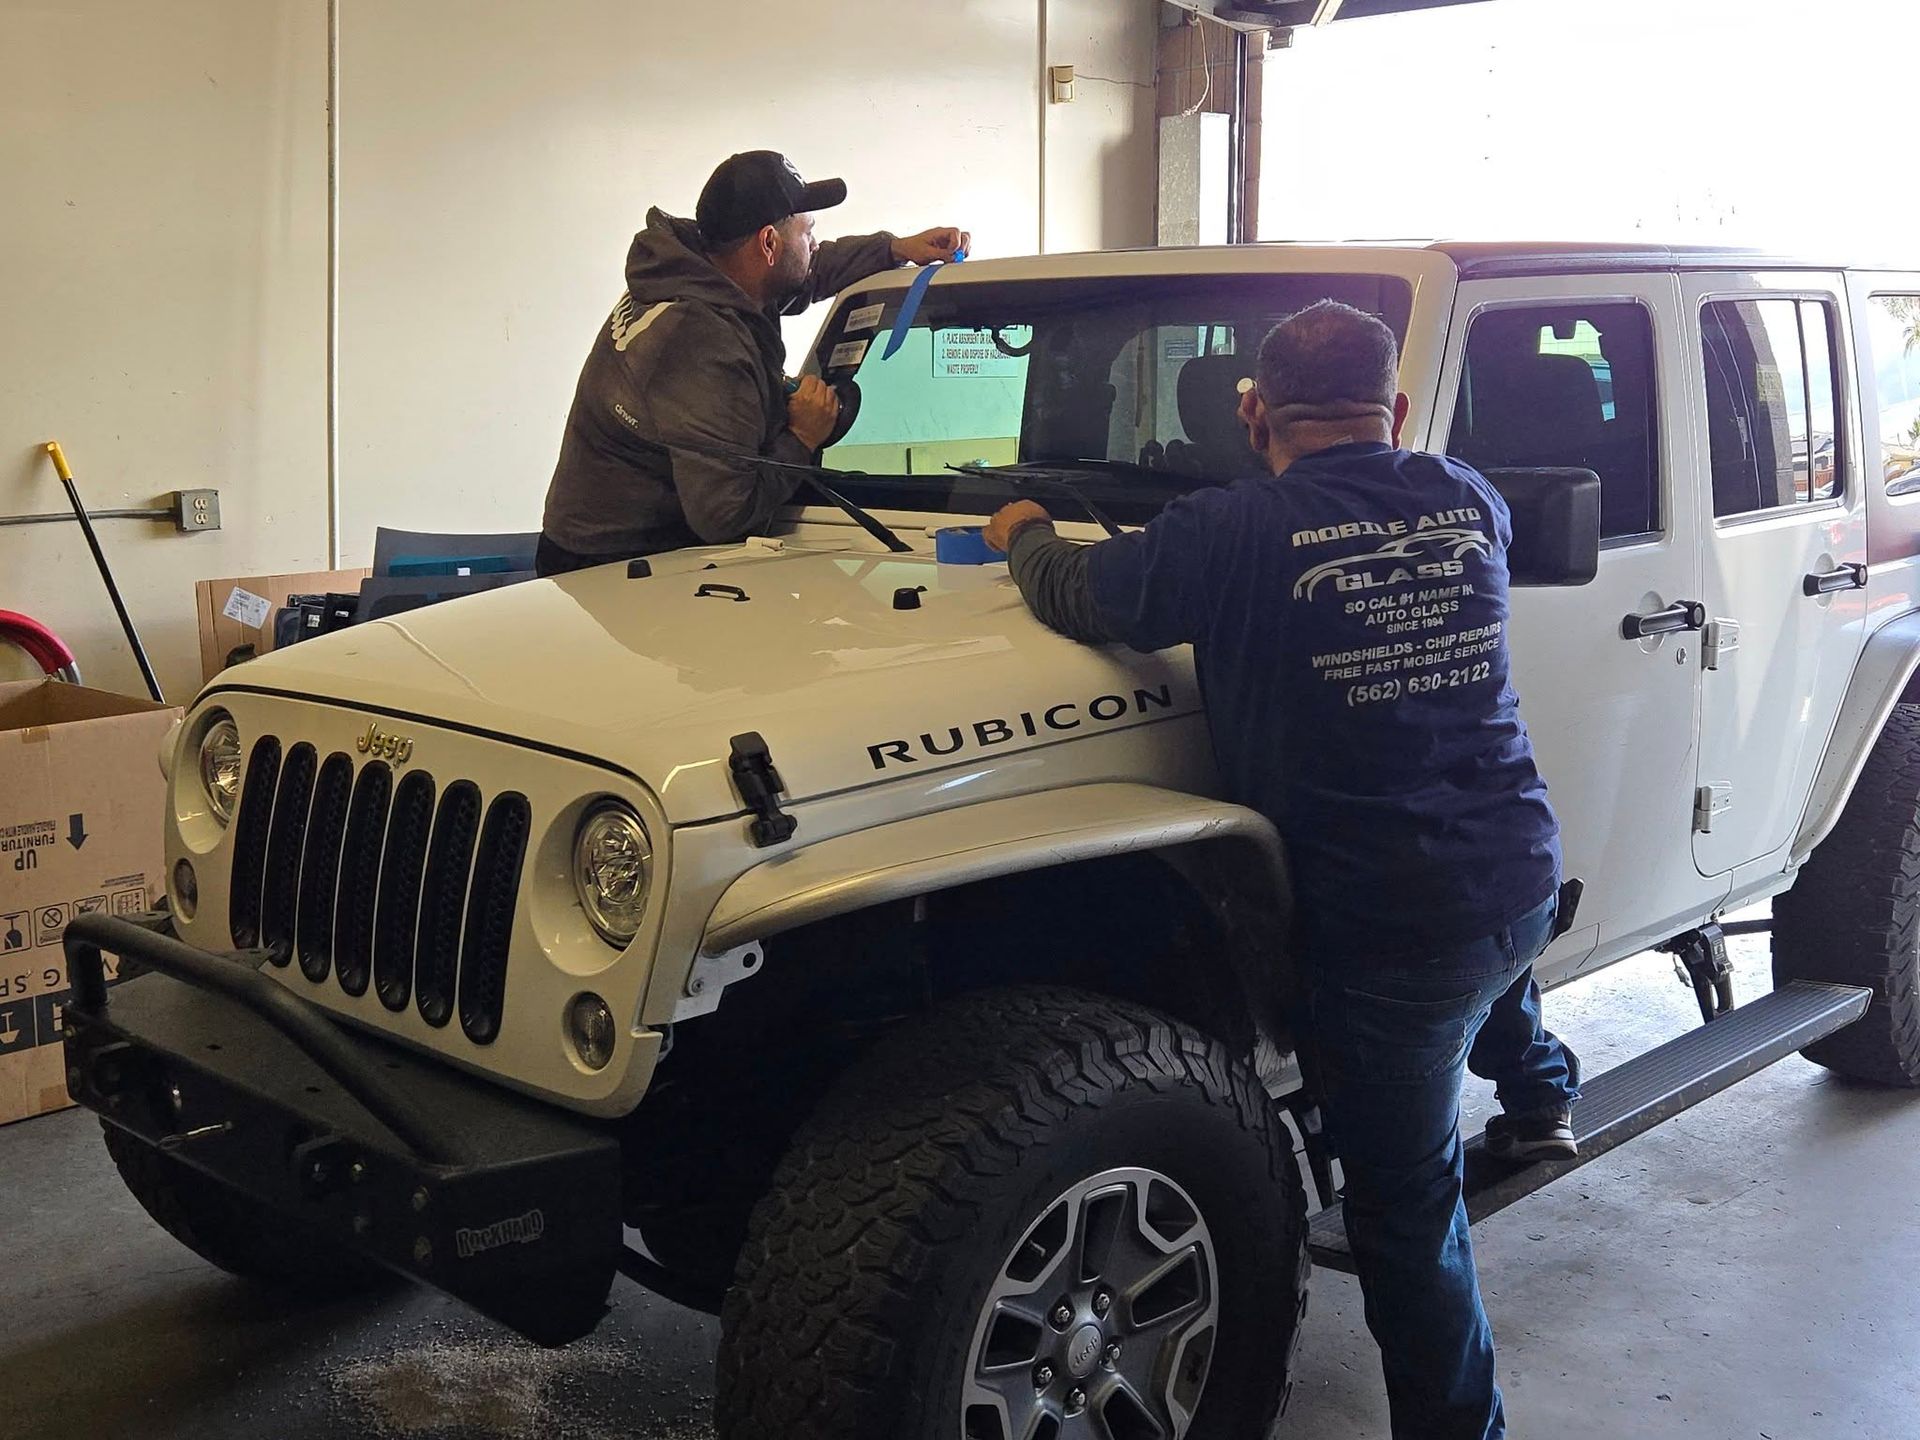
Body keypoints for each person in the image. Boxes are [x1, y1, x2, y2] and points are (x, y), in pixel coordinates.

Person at [981, 300, 1581, 1440]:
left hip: (1389, 927)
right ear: (1396, 410)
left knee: (1408, 1219)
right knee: (1492, 972)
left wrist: (1022, 528)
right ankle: (1544, 1090)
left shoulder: (1231, 535)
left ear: (1253, 414)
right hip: (1516, 863)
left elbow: (1079, 595)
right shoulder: (1470, 498)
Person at [538, 151, 968, 575]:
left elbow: (809, 271)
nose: (814, 244)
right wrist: (802, 436)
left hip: (626, 542)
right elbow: (727, 516)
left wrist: (895, 249)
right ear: (768, 243)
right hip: (610, 564)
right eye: (808, 231)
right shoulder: (698, 340)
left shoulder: (702, 271)